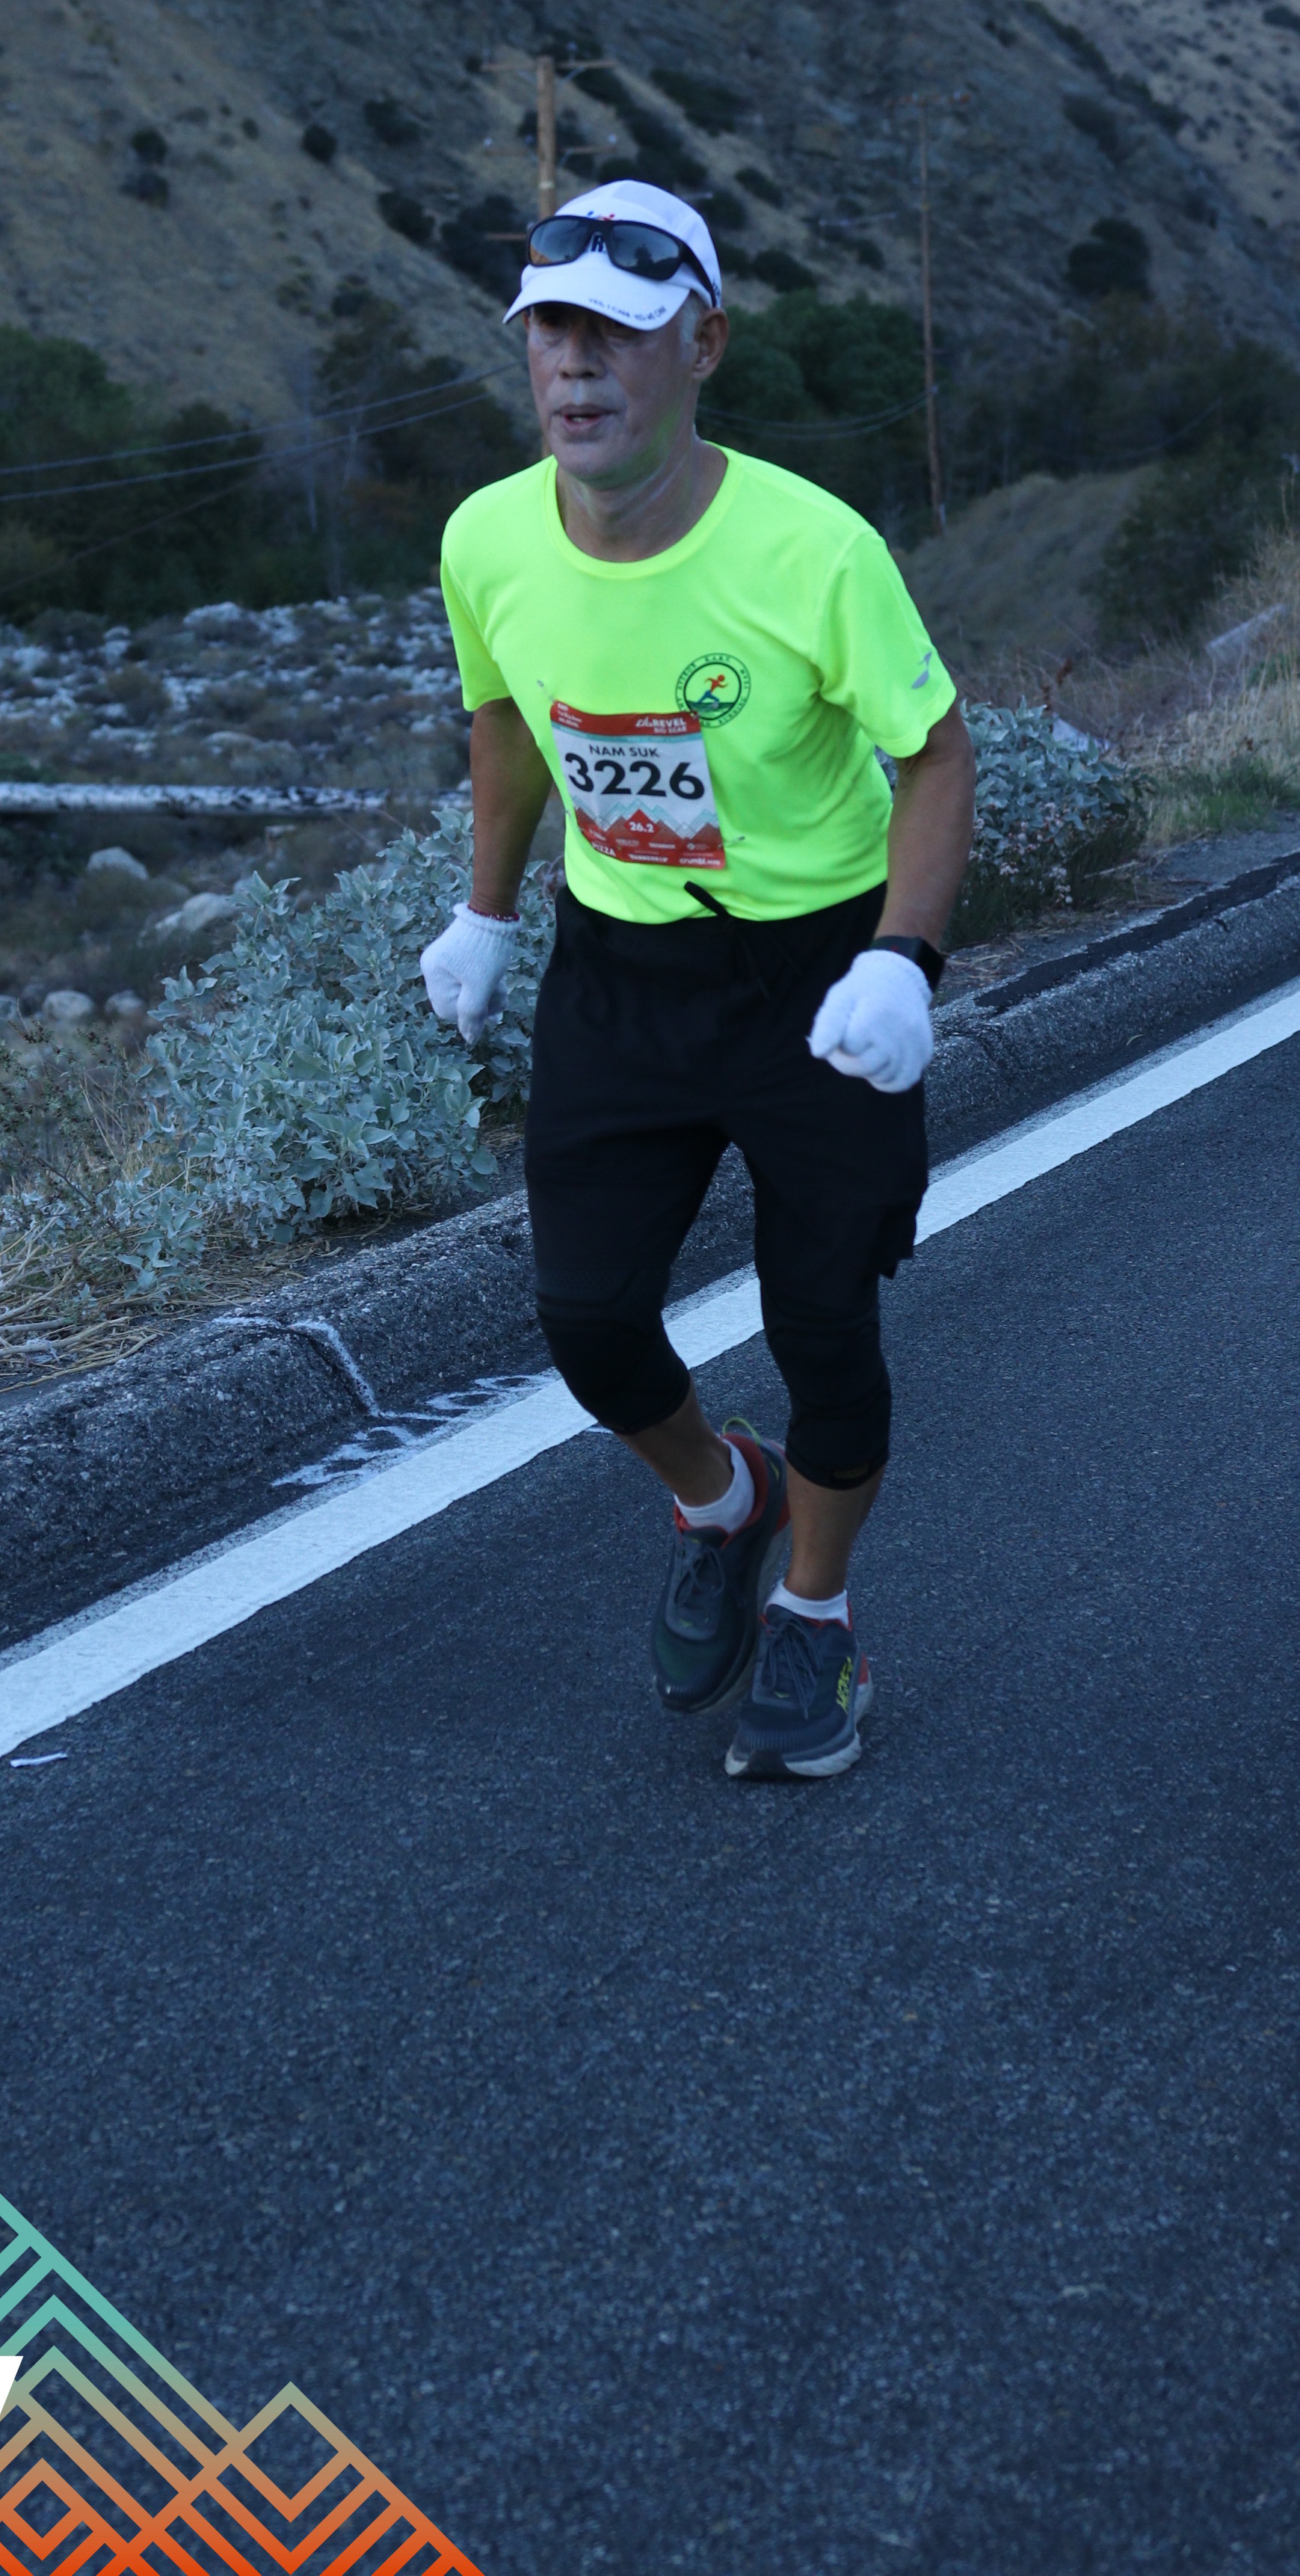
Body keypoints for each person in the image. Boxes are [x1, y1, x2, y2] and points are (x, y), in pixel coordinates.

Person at [421, 179, 975, 1780]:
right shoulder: (485, 538)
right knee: (589, 1318)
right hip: (621, 971)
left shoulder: (812, 549)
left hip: (817, 974)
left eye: (617, 331)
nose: (574, 365)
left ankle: (813, 1613)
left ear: (702, 347)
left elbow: (935, 754)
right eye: (550, 332)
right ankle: (724, 1500)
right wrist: (485, 915)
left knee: (823, 1323)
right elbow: (507, 719)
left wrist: (903, 957)